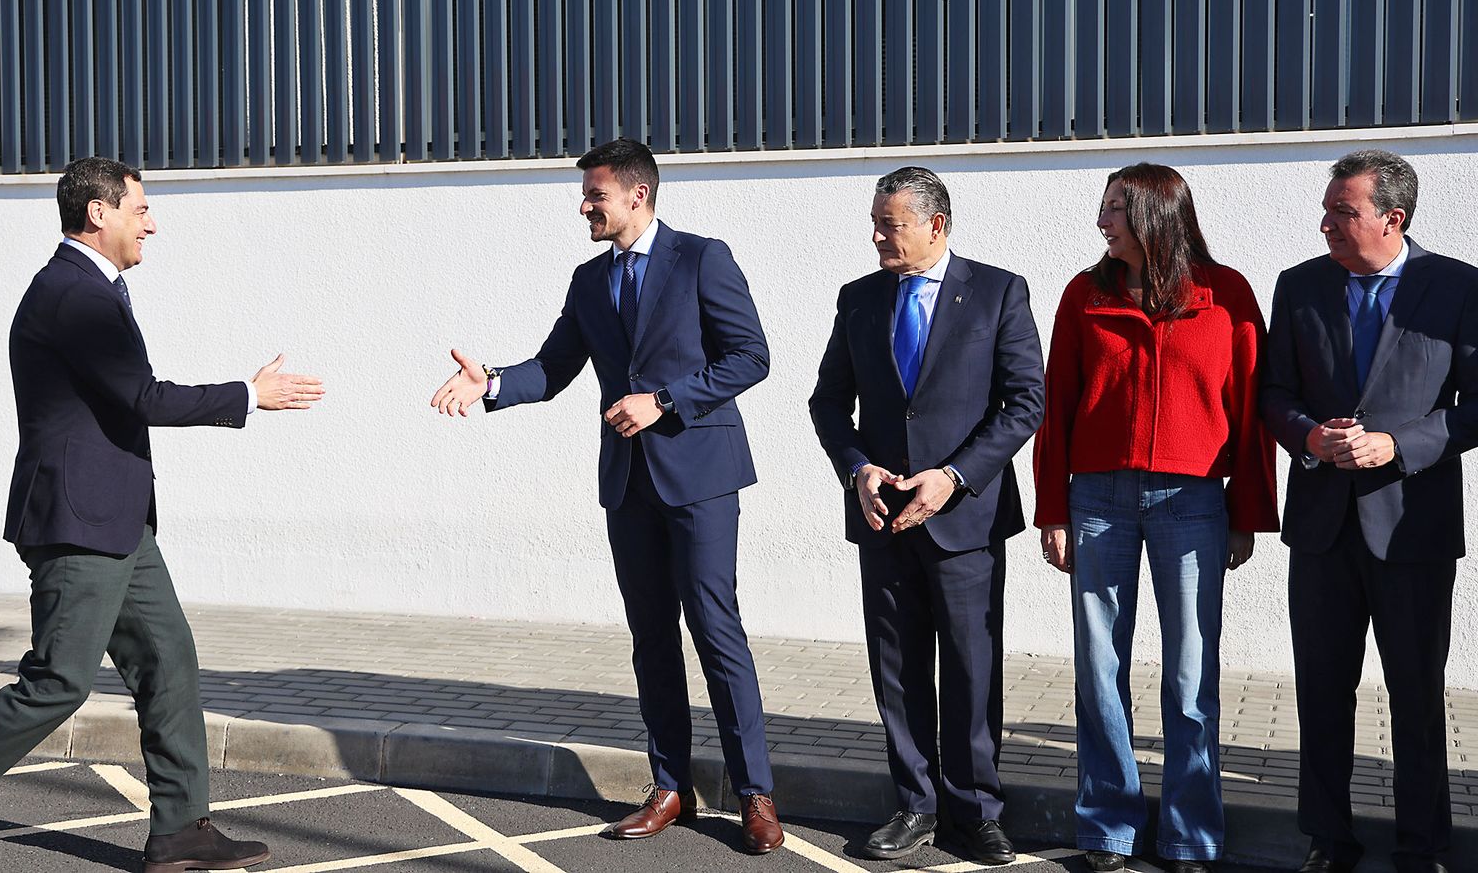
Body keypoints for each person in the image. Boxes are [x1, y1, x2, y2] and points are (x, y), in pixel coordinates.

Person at [0, 156, 325, 873]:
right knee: (57, 681)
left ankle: (181, 831)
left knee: (169, 658)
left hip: (117, 523)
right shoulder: (73, 293)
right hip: (79, 524)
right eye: (141, 208)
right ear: (99, 213)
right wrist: (248, 392)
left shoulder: (90, 288)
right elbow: (141, 396)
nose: (152, 221)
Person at [429, 138, 783, 855]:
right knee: (651, 635)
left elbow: (751, 356)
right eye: (584, 195)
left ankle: (755, 793)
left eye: (595, 194)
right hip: (628, 484)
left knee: (716, 630)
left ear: (636, 196)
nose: (584, 206)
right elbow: (555, 367)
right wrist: (491, 383)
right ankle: (670, 786)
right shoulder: (590, 280)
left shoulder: (701, 257)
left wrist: (664, 400)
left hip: (702, 477)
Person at [1033, 162, 1277, 873]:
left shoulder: (1225, 294)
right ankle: (1108, 825)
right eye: (1104, 207)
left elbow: (1253, 410)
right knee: (1099, 667)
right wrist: (1052, 508)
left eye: (1114, 208)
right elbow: (1057, 405)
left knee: (1191, 674)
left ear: (1154, 215)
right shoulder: (1084, 294)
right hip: (1098, 500)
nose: (1102, 221)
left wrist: (1248, 514)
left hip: (1194, 499)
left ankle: (1190, 832)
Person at [808, 166, 1044, 865]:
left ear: (935, 226)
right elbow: (828, 402)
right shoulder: (858, 298)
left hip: (963, 518)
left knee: (972, 668)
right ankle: (914, 804)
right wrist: (858, 467)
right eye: (877, 222)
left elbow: (1025, 401)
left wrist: (953, 476)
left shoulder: (999, 290)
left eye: (891, 224)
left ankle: (976, 810)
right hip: (883, 518)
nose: (878, 235)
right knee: (898, 668)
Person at [1261, 150, 1477, 873]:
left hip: (1412, 524)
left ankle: (1423, 845)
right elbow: (1273, 393)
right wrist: (1310, 436)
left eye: (1342, 211)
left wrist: (1399, 443)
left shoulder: (1456, 287)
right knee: (1322, 691)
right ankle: (1330, 838)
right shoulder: (1299, 286)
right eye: (1326, 210)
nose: (1325, 223)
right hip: (1322, 526)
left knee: (1416, 694)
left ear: (1394, 217)